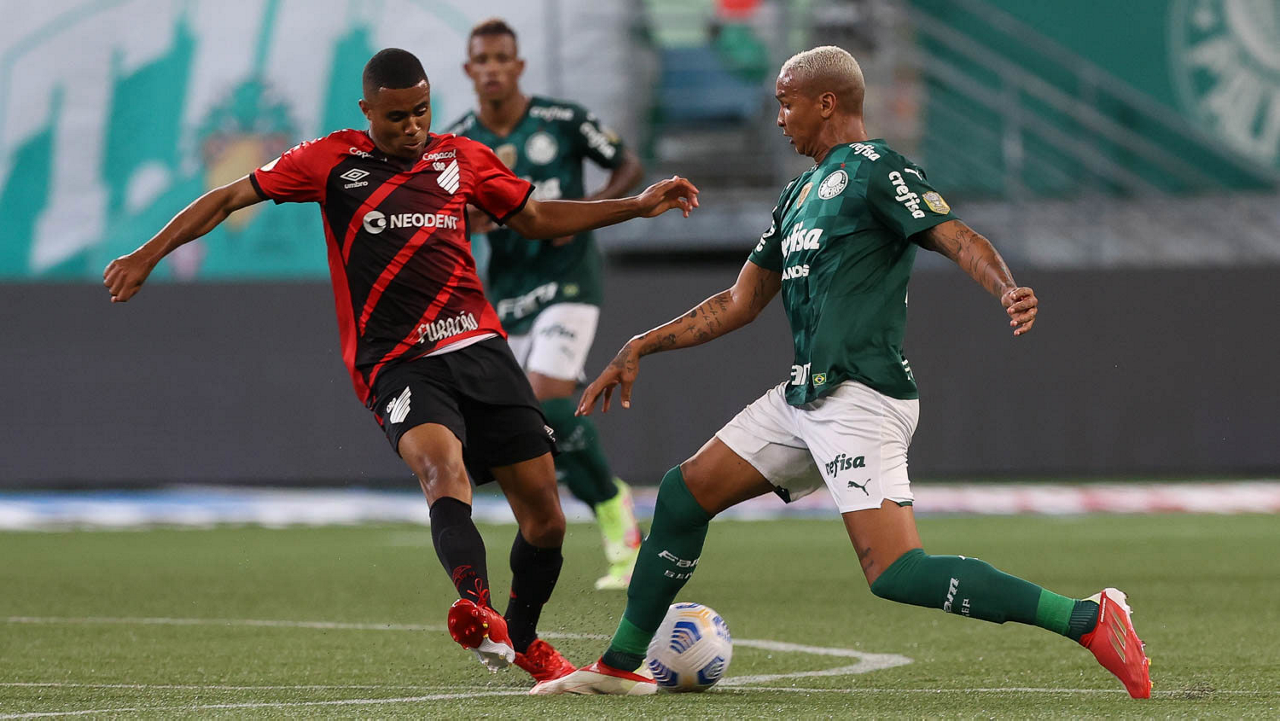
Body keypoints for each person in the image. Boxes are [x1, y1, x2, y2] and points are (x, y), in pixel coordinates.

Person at [532, 46, 1151, 698]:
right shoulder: (797, 194)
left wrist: (1005, 287)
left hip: (862, 394)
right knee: (683, 494)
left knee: (896, 572)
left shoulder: (878, 169)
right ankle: (621, 664)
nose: (778, 118)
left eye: (786, 103)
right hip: (805, 395)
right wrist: (641, 344)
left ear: (826, 102)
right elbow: (740, 301)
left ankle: (1089, 619)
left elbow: (953, 234)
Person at [102, 48, 699, 685]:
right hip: (396, 361)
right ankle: (477, 608)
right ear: (367, 111)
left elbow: (535, 217)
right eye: (396, 117)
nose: (412, 126)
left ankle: (523, 640)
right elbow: (227, 197)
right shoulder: (330, 161)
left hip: (478, 346)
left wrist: (636, 205)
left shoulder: (463, 157)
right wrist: (147, 254)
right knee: (442, 470)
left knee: (546, 519)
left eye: (421, 111)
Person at [447, 18, 646, 591]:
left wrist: (587, 211)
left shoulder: (563, 120)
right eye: (482, 60)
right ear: (469, 70)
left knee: (548, 396)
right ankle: (592, 497)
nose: (492, 69)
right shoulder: (458, 142)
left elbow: (628, 166)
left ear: (519, 66)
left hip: (569, 280)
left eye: (501, 58)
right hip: (508, 292)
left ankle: (613, 511)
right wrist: (469, 218)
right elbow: (446, 212)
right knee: (528, 419)